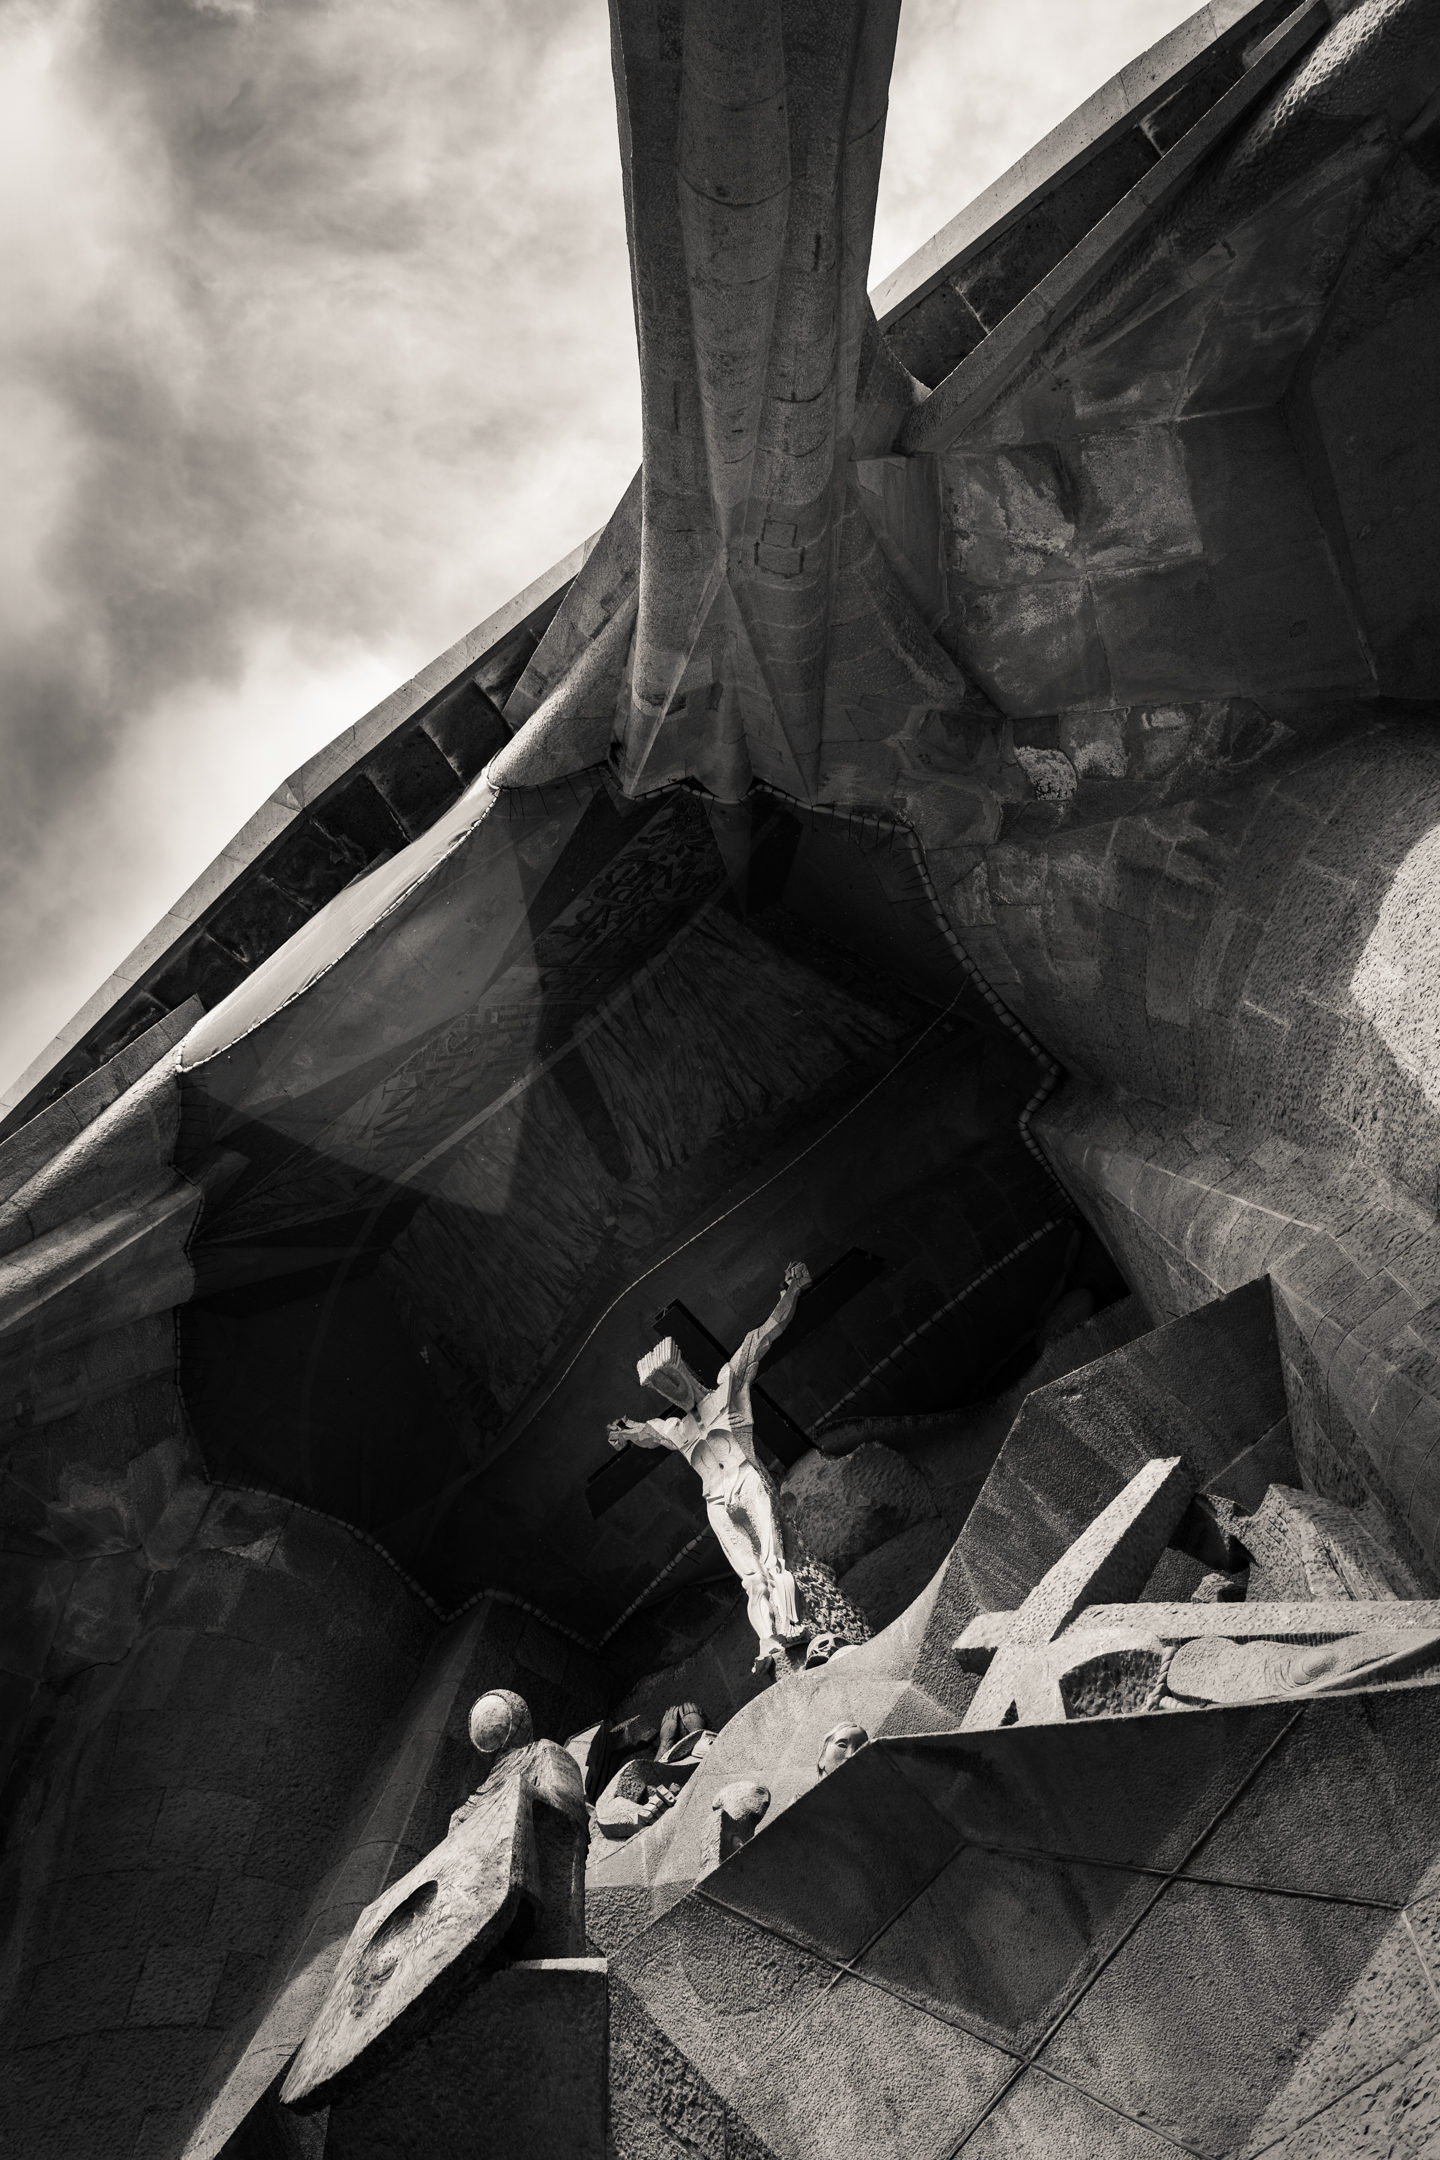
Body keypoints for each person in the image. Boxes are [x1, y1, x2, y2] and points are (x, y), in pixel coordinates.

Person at [608, 1262, 811, 1671]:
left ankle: (794, 1625)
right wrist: (623, 1433)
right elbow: (647, 1432)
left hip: (746, 1479)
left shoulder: (726, 1388)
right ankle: (768, 1642)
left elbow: (759, 1339)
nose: (670, 1391)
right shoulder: (677, 1428)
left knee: (774, 1560)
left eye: (670, 1380)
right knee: (751, 1579)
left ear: (683, 1373)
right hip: (716, 1500)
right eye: (662, 1389)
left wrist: (792, 1291)